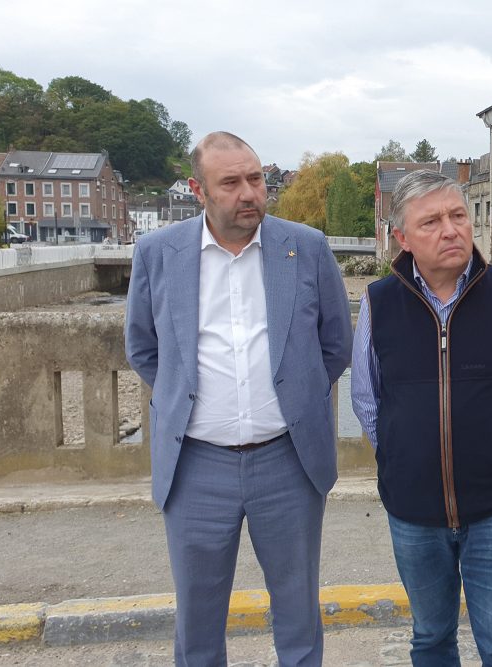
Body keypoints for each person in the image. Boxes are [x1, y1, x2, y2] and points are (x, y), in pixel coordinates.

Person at [125, 131, 352, 666]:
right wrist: (190, 402)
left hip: (288, 462)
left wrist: (294, 400)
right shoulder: (159, 252)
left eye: (256, 179)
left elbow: (335, 345)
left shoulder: (306, 247)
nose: (249, 193)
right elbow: (143, 348)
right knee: (198, 623)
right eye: (231, 183)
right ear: (198, 189)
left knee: (298, 617)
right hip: (196, 466)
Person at [351, 169, 492, 666]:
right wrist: (408, 460)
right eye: (432, 222)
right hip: (413, 512)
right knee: (430, 639)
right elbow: (366, 400)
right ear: (401, 237)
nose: (451, 230)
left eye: (458, 215)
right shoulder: (379, 303)